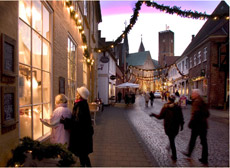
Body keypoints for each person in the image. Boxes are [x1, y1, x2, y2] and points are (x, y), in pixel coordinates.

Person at [60, 86, 94, 167]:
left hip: (81, 136)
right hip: (84, 135)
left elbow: (77, 122)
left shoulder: (80, 106)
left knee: (83, 155)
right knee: (84, 155)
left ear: (80, 95)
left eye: (77, 93)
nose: (76, 94)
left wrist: (65, 121)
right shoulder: (83, 104)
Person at [149, 95, 184, 161]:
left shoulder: (166, 107)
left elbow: (160, 116)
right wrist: (182, 125)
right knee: (172, 139)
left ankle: (174, 156)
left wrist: (153, 114)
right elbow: (181, 117)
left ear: (168, 100)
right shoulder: (178, 107)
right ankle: (171, 149)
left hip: (169, 126)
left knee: (172, 140)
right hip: (176, 127)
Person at [183, 89, 210, 164]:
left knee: (193, 139)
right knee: (203, 141)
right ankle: (204, 158)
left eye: (193, 93)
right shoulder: (202, 101)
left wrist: (191, 123)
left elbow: (195, 113)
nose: (191, 95)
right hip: (203, 125)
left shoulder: (196, 102)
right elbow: (207, 114)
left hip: (197, 125)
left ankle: (189, 153)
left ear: (196, 94)